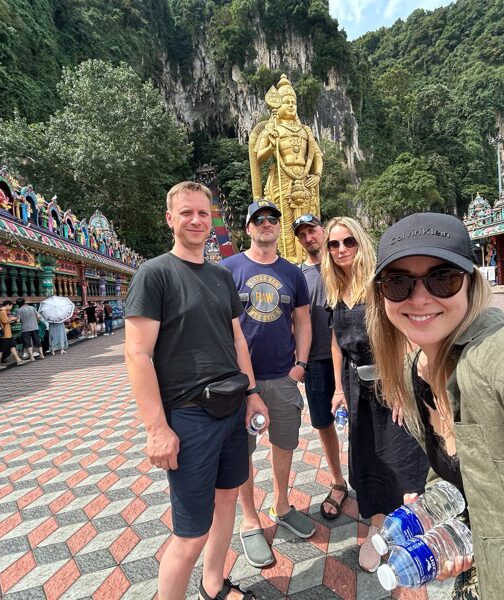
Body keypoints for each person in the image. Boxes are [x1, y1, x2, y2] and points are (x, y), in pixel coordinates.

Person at [366, 212, 504, 599]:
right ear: (381, 295)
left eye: (442, 278)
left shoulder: (499, 354)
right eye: (398, 283)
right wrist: (441, 510)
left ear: (470, 284)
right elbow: (462, 471)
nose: (420, 297)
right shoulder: (416, 373)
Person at [125, 181, 268, 600]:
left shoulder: (221, 276)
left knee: (227, 501)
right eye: (186, 212)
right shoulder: (155, 274)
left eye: (203, 213)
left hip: (232, 408)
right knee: (190, 533)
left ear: (211, 219)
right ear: (170, 219)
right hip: (189, 416)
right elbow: (137, 354)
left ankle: (213, 583)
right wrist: (156, 428)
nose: (196, 220)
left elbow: (237, 340)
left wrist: (252, 393)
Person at [321, 217, 429, 573]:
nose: (341, 250)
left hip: (390, 379)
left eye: (348, 241)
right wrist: (338, 388)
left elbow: (405, 334)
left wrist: (402, 387)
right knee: (368, 458)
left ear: (361, 243)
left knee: (401, 455)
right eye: (334, 244)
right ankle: (377, 527)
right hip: (357, 388)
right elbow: (336, 344)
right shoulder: (335, 290)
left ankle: (409, 526)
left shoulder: (380, 285)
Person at [222, 200, 314, 568]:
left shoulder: (293, 273)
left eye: (272, 219)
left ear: (278, 226)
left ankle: (282, 504)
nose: (266, 223)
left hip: (282, 377)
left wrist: (300, 365)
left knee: (285, 443)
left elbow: (303, 321)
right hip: (242, 384)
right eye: (258, 219)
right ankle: (249, 519)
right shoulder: (228, 270)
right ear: (248, 228)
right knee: (242, 450)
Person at [293, 214, 348, 519]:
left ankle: (371, 479)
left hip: (350, 355)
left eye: (312, 231)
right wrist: (298, 359)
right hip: (315, 359)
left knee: (363, 421)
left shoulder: (341, 263)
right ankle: (338, 481)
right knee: (324, 424)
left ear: (323, 231)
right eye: (302, 235)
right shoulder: (298, 275)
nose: (308, 238)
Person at [249, 74, 323, 263]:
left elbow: (317, 155)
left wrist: (317, 174)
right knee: (285, 223)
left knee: (308, 221)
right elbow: (258, 156)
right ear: (277, 105)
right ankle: (289, 260)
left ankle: (309, 260)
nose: (290, 105)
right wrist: (271, 146)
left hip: (304, 180)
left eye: (293, 102)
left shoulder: (305, 130)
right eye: (286, 102)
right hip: (281, 179)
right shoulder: (272, 129)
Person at [0, 300, 25, 369]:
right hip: (4, 334)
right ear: (8, 305)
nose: (11, 308)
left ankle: (19, 360)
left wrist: (11, 319)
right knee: (0, 350)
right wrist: (13, 318)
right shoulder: (2, 311)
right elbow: (5, 321)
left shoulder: (0, 311)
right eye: (11, 306)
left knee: (13, 346)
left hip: (7, 334)